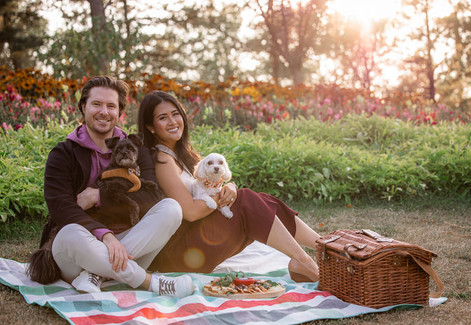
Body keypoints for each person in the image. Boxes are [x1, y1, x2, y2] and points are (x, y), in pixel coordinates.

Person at [31, 77, 193, 298]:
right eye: (97, 104)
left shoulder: (136, 148)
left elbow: (153, 195)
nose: (104, 112)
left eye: (111, 106)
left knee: (171, 208)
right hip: (80, 247)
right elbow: (61, 207)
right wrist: (105, 236)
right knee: (69, 233)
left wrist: (100, 196)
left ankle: (96, 275)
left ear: (120, 112)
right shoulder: (63, 153)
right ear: (83, 107)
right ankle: (150, 282)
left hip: (127, 239)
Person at [137, 90, 321, 282]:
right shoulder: (162, 159)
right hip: (178, 255)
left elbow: (207, 189)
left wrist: (230, 188)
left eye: (175, 114)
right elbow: (190, 212)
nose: (173, 121)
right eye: (163, 118)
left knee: (263, 201)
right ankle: (304, 259)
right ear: (151, 127)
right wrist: (224, 196)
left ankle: (323, 246)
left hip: (193, 243)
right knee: (247, 199)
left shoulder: (180, 156)